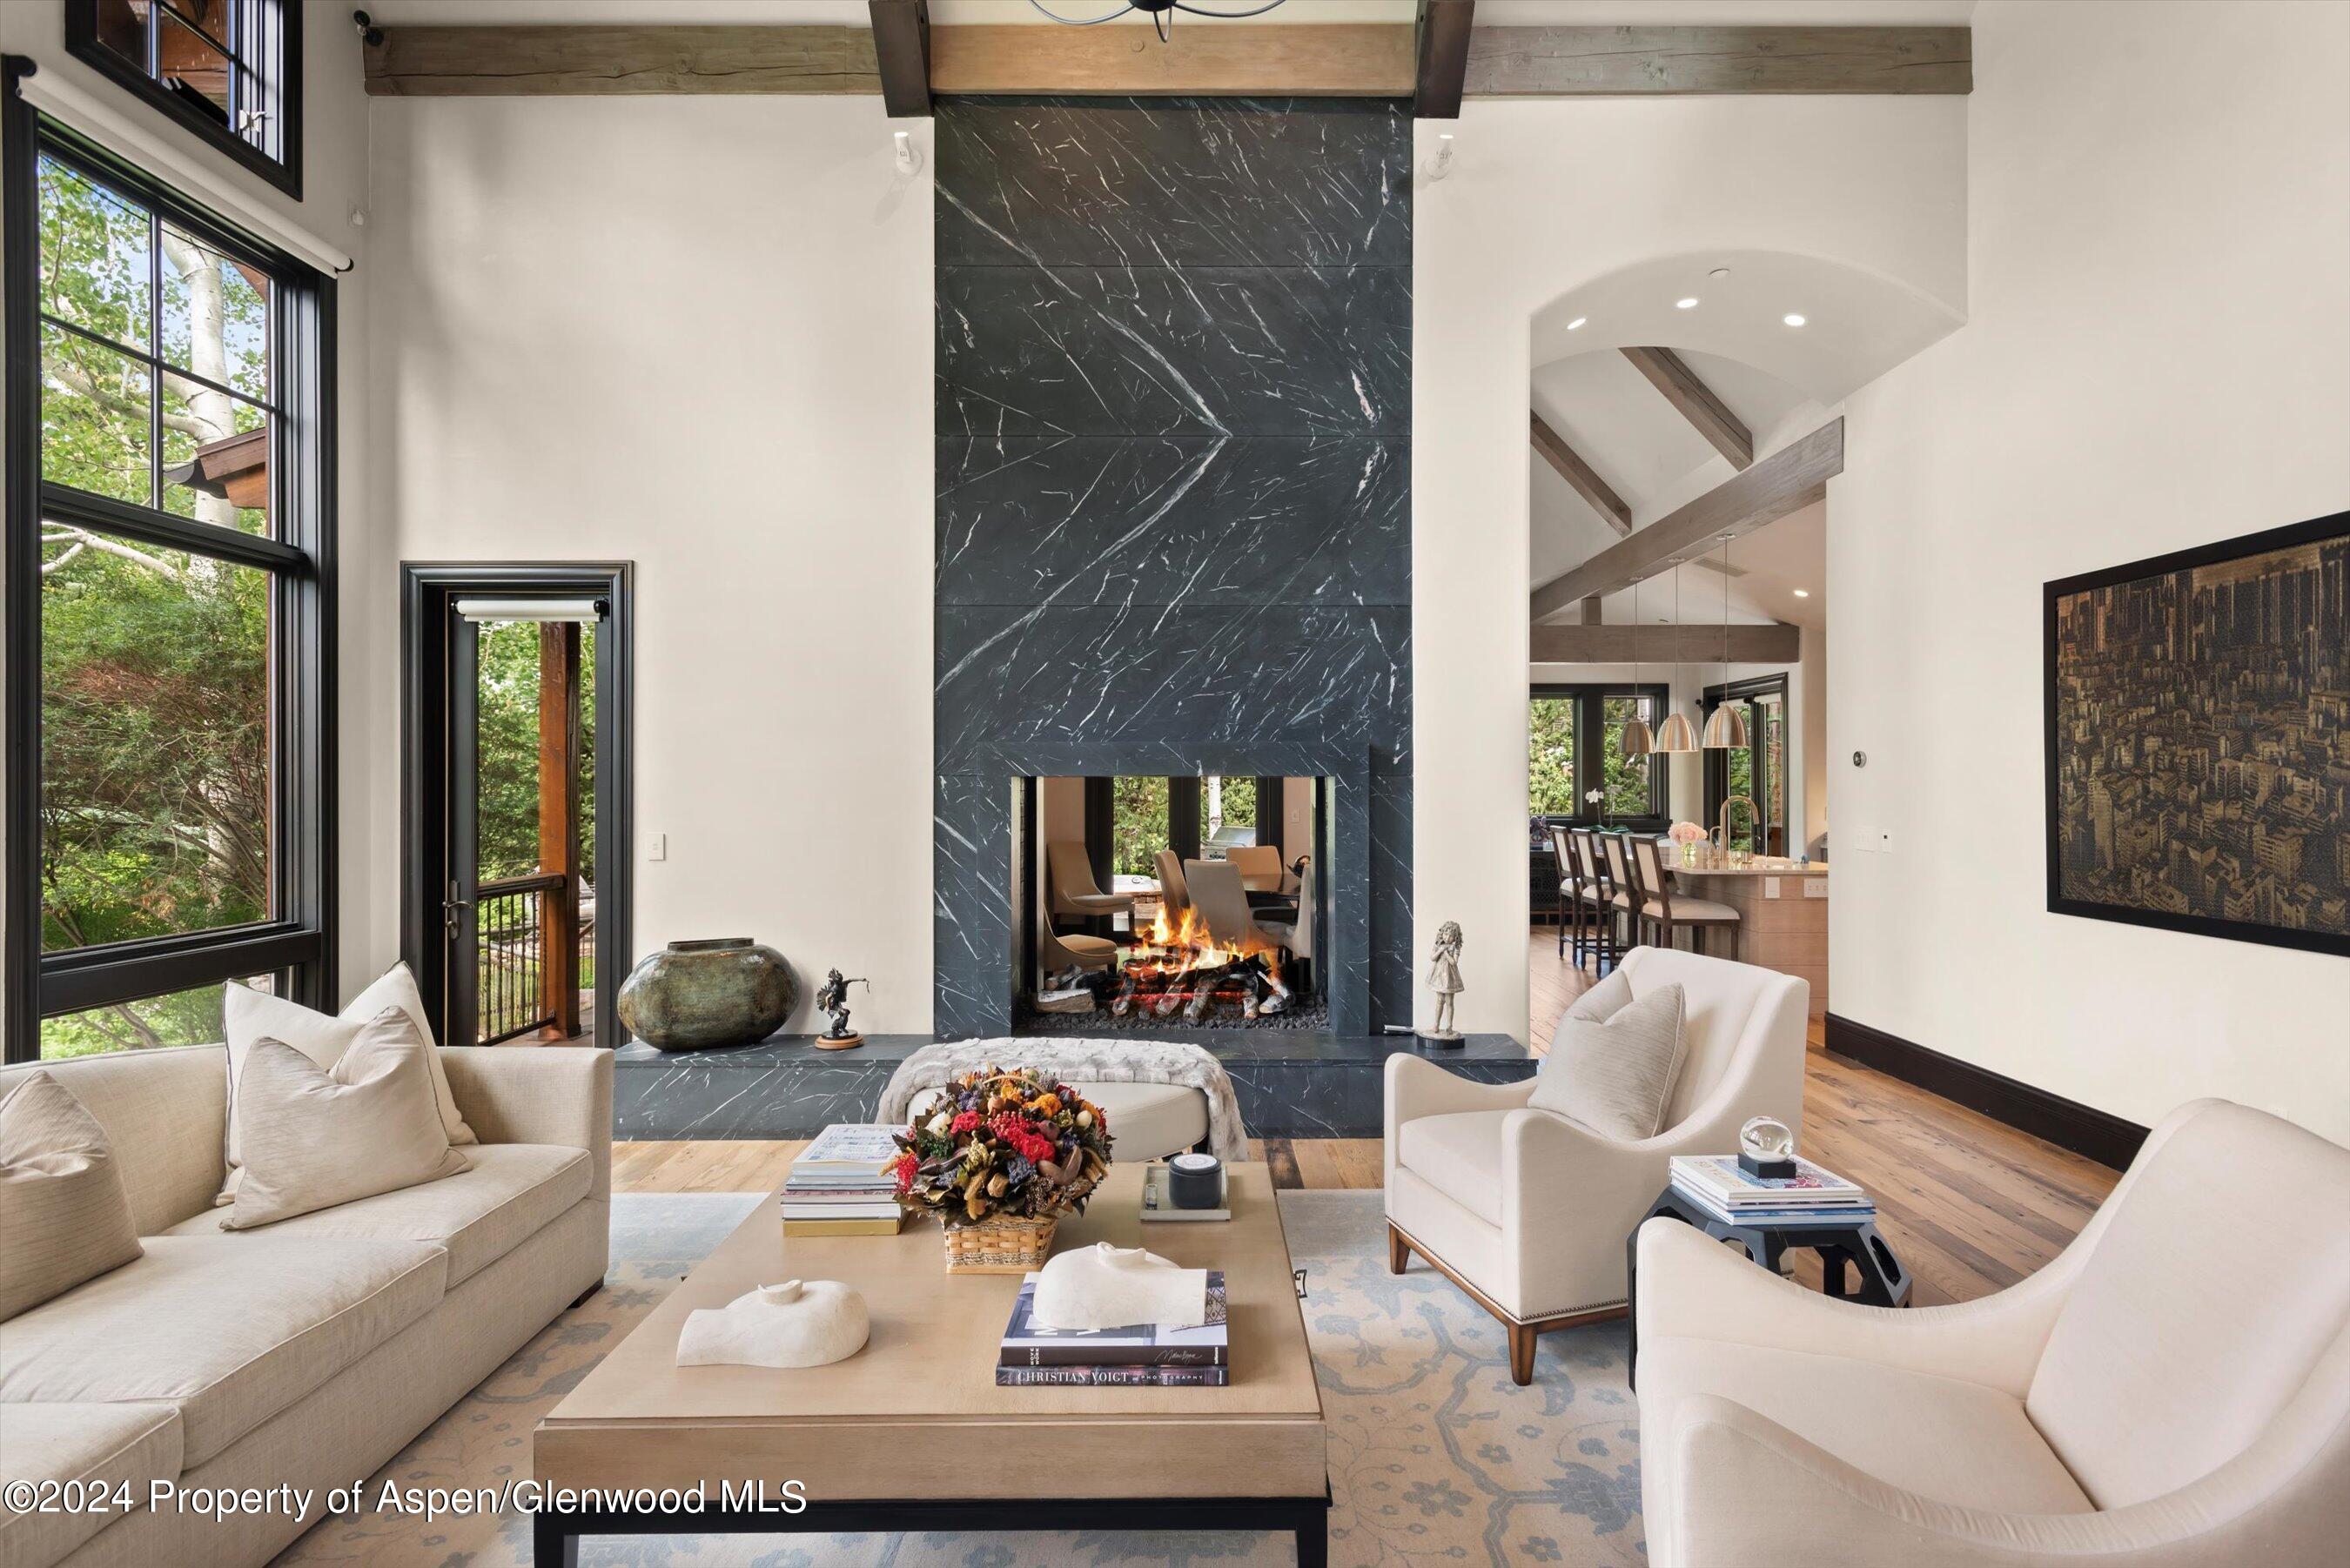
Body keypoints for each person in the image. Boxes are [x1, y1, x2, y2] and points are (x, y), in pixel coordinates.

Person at [1426, 921, 1465, 1038]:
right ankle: (1436, 1024)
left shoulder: (1455, 947)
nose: (1447, 938)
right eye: (1446, 934)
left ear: (1456, 937)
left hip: (1449, 977)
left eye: (1451, 936)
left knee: (1449, 1002)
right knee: (1439, 1000)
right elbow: (1432, 958)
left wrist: (1446, 953)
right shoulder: (1438, 945)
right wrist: (1440, 950)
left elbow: (1453, 962)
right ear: (1442, 933)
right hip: (1438, 976)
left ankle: (1449, 1026)